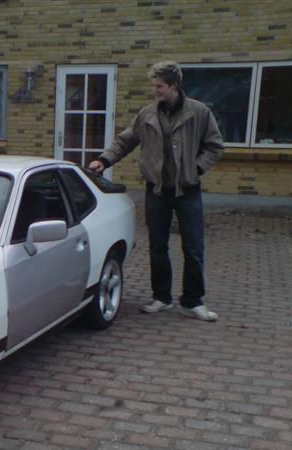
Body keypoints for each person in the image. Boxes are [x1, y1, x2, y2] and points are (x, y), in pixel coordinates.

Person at [89, 61, 224, 321]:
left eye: (160, 86)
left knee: (194, 247)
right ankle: (162, 297)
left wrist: (195, 169)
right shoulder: (147, 114)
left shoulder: (199, 112)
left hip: (188, 191)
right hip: (157, 191)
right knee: (157, 247)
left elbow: (215, 146)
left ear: (173, 85)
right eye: (154, 86)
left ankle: (193, 301)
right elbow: (125, 141)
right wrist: (104, 160)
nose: (156, 91)